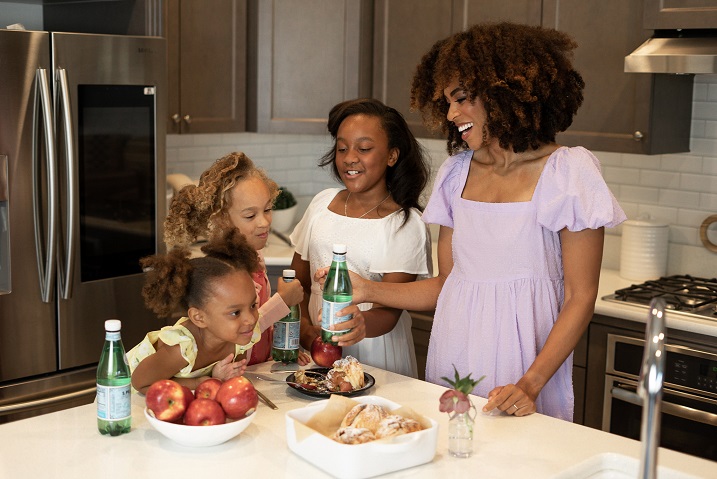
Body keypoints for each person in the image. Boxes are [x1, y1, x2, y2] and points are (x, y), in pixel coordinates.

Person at [321, 23, 626, 420]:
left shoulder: (568, 172)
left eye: (462, 98)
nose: (451, 114)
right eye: (447, 101)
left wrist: (530, 383)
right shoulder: (456, 173)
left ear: (505, 92)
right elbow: (447, 286)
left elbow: (580, 296)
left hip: (527, 363)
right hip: (454, 348)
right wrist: (366, 289)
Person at [291, 98, 432, 378]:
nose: (349, 158)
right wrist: (305, 328)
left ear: (392, 156)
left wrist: (358, 324)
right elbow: (298, 282)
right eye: (342, 148)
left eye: (364, 148)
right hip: (317, 352)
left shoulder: (406, 224)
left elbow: (389, 313)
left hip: (377, 354)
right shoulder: (322, 204)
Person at [164, 152, 309, 366]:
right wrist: (283, 301)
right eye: (250, 216)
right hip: (234, 372)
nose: (264, 222)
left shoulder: (254, 256)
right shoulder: (224, 270)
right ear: (222, 220)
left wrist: (280, 348)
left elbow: (261, 318)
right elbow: (242, 326)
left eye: (267, 209)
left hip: (258, 368)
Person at [128, 230, 261, 394]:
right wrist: (199, 382)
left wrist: (219, 378)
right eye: (235, 313)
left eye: (253, 305)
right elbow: (140, 384)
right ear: (199, 318)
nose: (250, 319)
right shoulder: (180, 349)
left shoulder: (239, 335)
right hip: (125, 399)